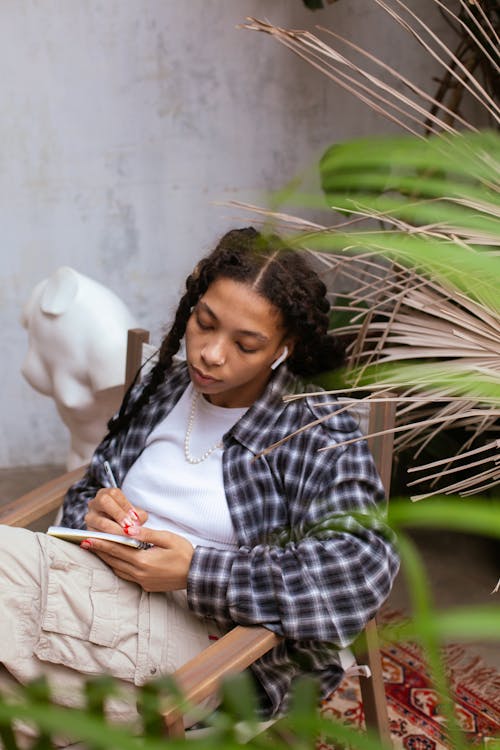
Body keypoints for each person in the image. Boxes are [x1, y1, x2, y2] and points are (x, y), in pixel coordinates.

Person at [0, 227, 399, 729]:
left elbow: (361, 569)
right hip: (92, 593)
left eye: (245, 344)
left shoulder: (313, 429)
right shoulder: (163, 390)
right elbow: (93, 480)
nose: (210, 353)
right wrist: (94, 510)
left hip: (205, 645)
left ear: (284, 347)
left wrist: (195, 572)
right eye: (204, 323)